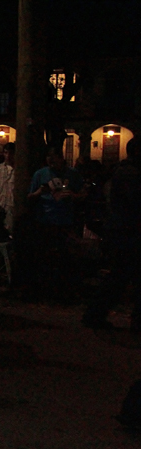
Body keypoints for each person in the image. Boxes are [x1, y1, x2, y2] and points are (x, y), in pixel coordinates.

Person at [82, 138, 141, 330]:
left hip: (123, 230)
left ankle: (96, 314)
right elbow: (133, 202)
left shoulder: (123, 171)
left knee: (120, 276)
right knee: (119, 276)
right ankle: (95, 315)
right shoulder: (130, 174)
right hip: (127, 231)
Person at [27, 145, 85, 297]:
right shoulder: (40, 174)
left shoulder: (72, 174)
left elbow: (83, 193)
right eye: (48, 157)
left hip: (65, 220)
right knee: (45, 256)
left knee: (65, 257)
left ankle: (63, 290)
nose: (51, 161)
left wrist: (73, 195)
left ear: (61, 158)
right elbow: (30, 196)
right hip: (45, 220)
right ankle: (45, 289)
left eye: (54, 158)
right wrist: (40, 192)